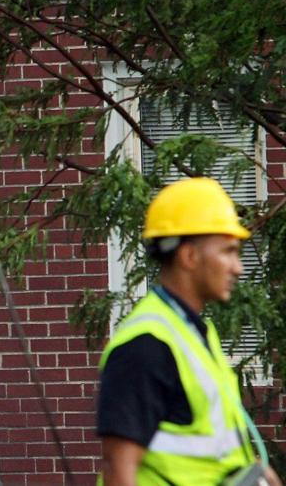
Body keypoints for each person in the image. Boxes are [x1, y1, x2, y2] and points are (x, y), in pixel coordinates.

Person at [97, 177, 281, 485]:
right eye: (228, 251)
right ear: (189, 256)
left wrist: (257, 474)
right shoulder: (144, 346)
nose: (238, 268)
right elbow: (119, 471)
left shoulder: (195, 332)